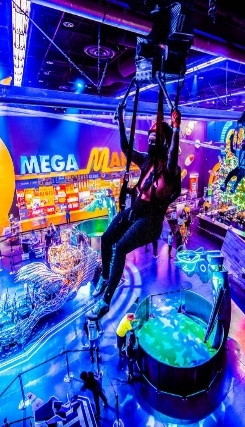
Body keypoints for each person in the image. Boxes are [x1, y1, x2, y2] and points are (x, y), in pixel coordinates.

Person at [88, 106, 182, 319]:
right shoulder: (147, 161)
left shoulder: (170, 170)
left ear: (164, 143)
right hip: (135, 211)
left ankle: (106, 301)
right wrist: (121, 121)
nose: (150, 142)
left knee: (121, 248)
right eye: (149, 139)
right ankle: (105, 277)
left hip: (150, 220)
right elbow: (126, 148)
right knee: (106, 238)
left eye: (154, 139)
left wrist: (176, 129)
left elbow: (172, 157)